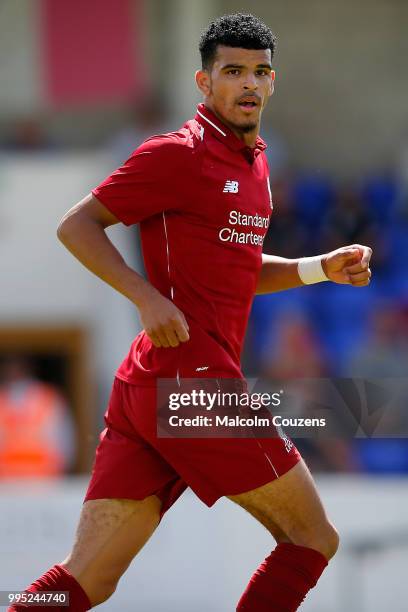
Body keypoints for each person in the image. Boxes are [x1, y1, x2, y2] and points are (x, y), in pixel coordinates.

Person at [10, 13, 372, 612]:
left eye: (259, 72)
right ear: (204, 83)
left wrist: (317, 267)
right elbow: (77, 225)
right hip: (193, 382)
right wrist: (146, 297)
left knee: (87, 581)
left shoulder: (254, 164)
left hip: (151, 384)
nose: (247, 84)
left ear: (273, 82)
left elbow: (234, 271)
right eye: (232, 71)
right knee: (312, 538)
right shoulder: (177, 155)